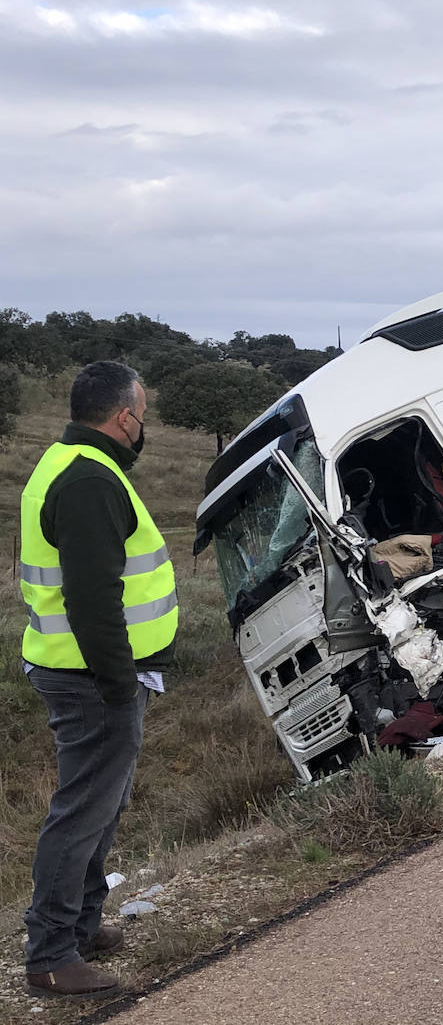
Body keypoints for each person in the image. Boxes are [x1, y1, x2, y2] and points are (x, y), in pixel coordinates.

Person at [18, 362, 178, 1000]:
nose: (144, 427)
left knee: (99, 807)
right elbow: (91, 599)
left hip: (83, 671)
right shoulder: (89, 479)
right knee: (82, 812)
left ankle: (82, 926)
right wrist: (118, 686)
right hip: (92, 678)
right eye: (142, 415)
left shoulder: (68, 462)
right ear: (124, 417)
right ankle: (51, 953)